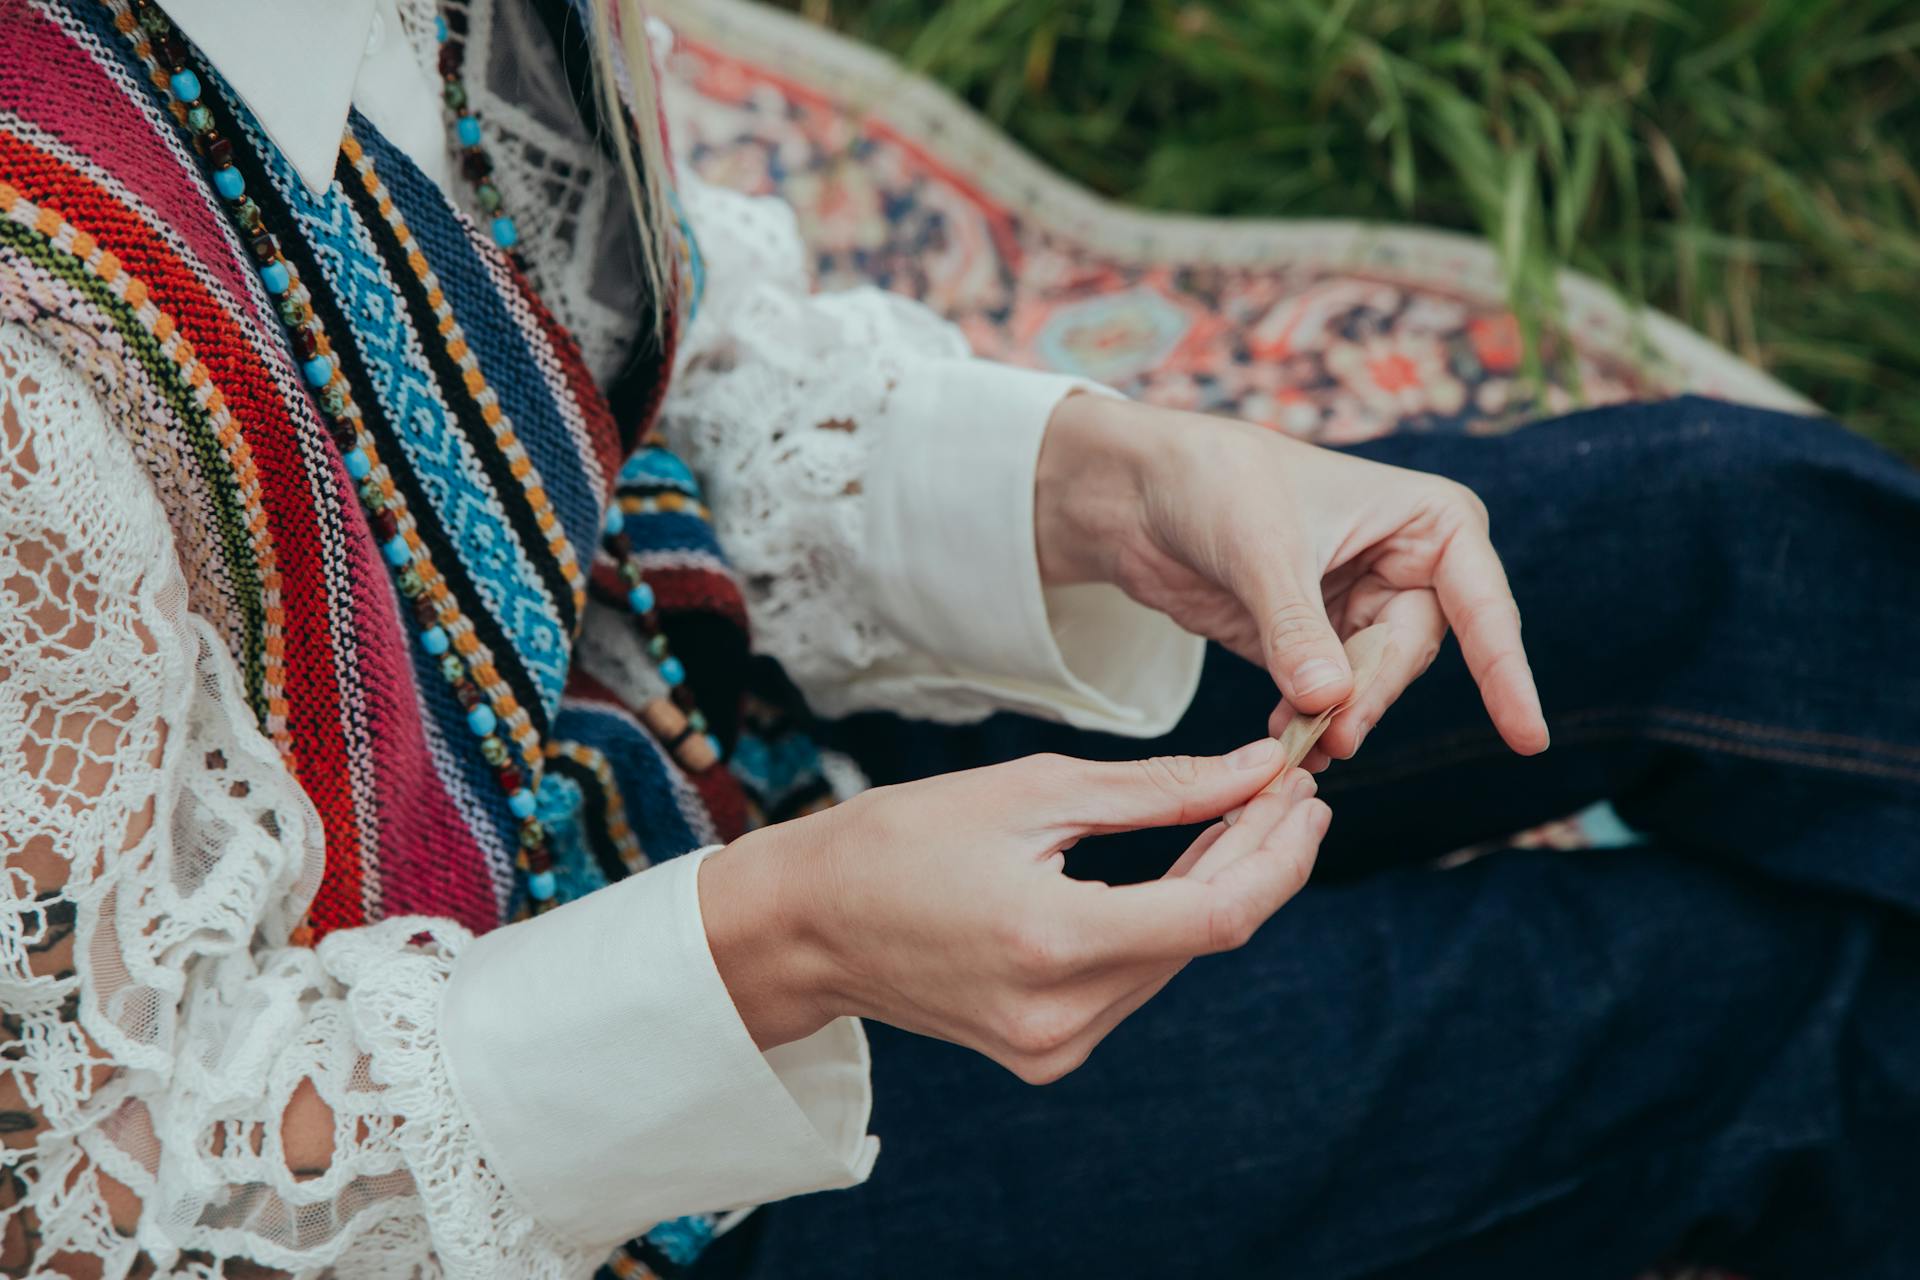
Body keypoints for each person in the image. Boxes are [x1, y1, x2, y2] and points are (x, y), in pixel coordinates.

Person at [0, 4, 1912, 1280]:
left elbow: (632, 359)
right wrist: (789, 940)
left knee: (1728, 531)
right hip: (580, 1155)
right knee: (1738, 1010)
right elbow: (88, 1192)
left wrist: (1105, 481)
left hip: (692, 724)